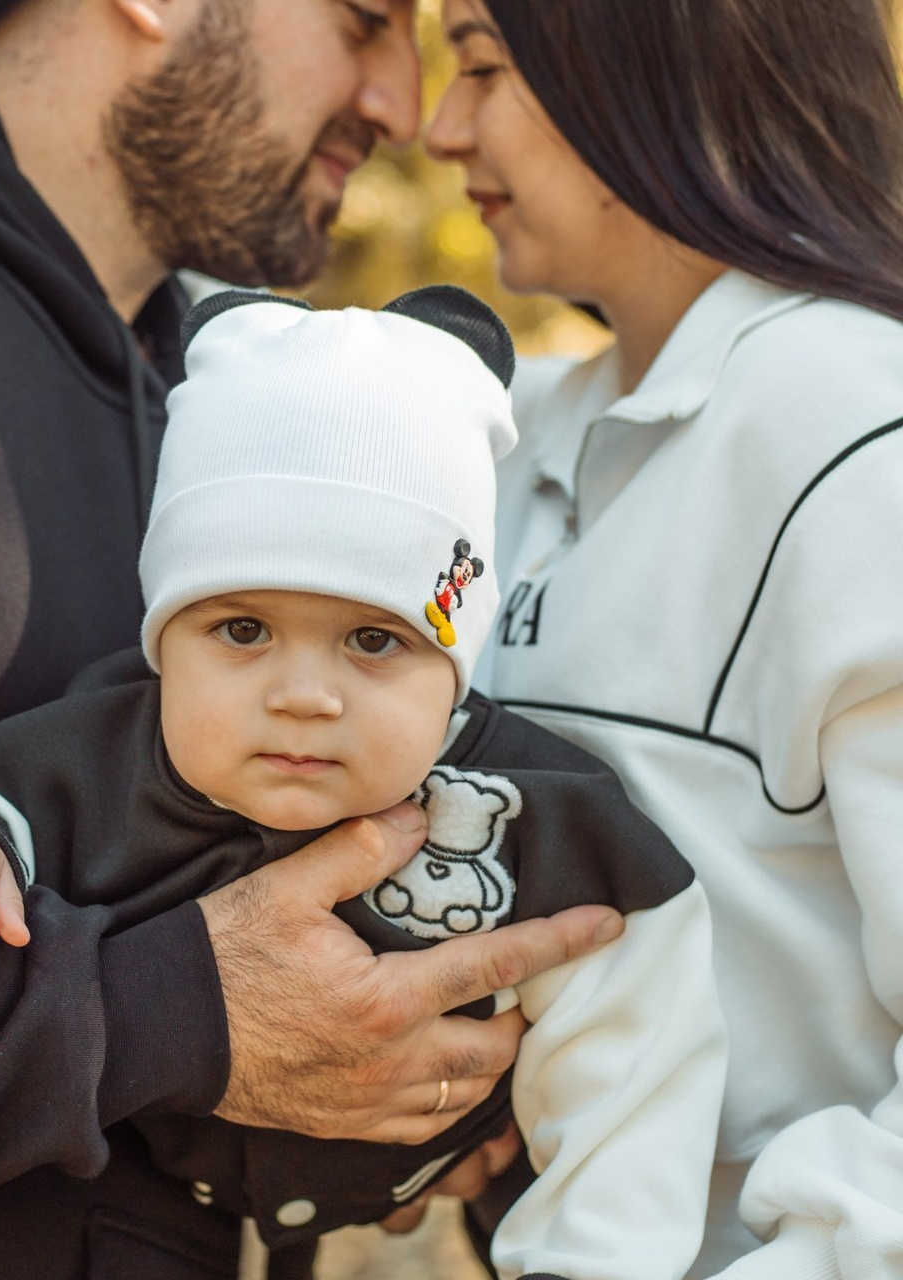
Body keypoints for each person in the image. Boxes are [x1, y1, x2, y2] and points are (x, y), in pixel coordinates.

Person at [0, 0, 623, 1274]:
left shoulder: (210, 397)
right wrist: (171, 1016)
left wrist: (390, 1099)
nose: (400, 107)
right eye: (366, 23)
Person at [0, 286, 725, 1280]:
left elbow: (638, 1053)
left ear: (453, 657)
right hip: (154, 1211)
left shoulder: (535, 809)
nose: (303, 695)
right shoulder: (104, 750)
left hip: (422, 1190)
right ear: (164, 640)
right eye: (242, 629)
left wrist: (590, 1255)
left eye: (374, 639)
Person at [423, 0, 903, 1276]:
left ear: (653, 54)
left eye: (477, 63)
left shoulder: (863, 441)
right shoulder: (516, 437)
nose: (436, 125)